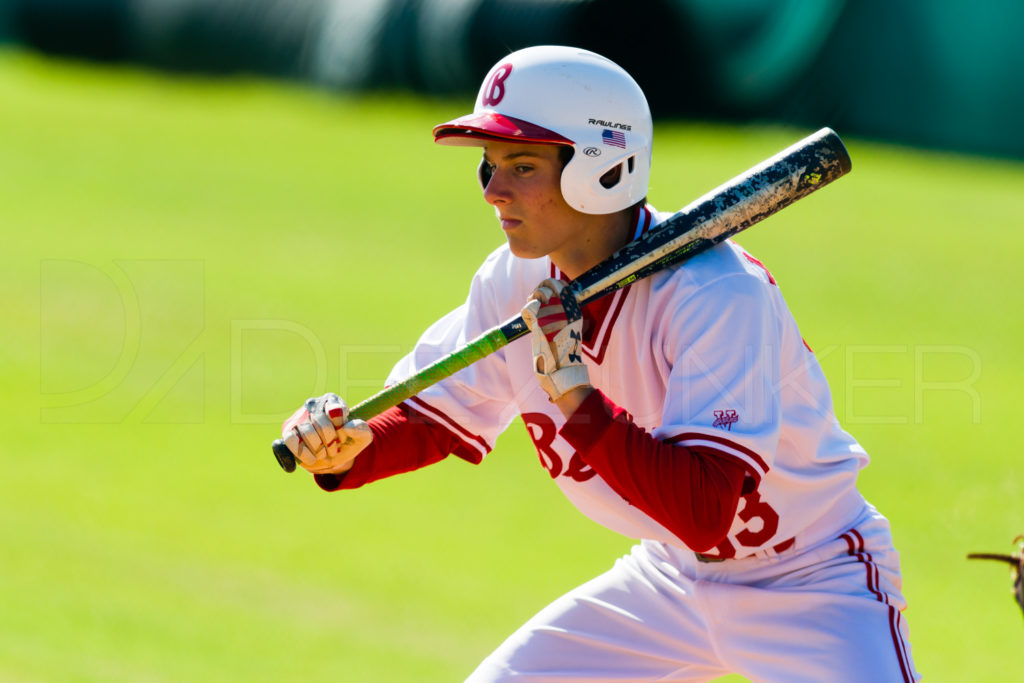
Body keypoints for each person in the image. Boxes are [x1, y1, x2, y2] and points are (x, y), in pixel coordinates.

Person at [279, 45, 920, 682]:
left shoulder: (716, 295)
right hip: (667, 581)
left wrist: (573, 395)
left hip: (812, 579)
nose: (493, 191)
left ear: (602, 169)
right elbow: (438, 416)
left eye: (521, 166)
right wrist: (352, 449)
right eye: (488, 167)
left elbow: (702, 511)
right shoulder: (516, 277)